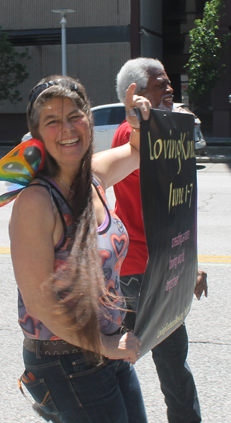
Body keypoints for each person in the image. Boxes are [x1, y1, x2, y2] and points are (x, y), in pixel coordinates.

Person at [6, 75, 153, 423]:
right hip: (65, 360)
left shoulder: (95, 177)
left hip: (104, 349)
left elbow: (137, 151)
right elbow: (40, 303)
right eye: (52, 121)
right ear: (38, 133)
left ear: (88, 118)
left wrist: (137, 122)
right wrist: (102, 345)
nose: (66, 128)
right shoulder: (36, 202)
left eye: (74, 115)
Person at [113, 57, 208, 423]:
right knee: (131, 363)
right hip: (140, 273)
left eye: (169, 83)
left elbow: (176, 209)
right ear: (134, 94)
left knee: (164, 366)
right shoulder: (131, 135)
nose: (169, 89)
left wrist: (187, 264)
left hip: (154, 266)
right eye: (159, 84)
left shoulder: (165, 130)